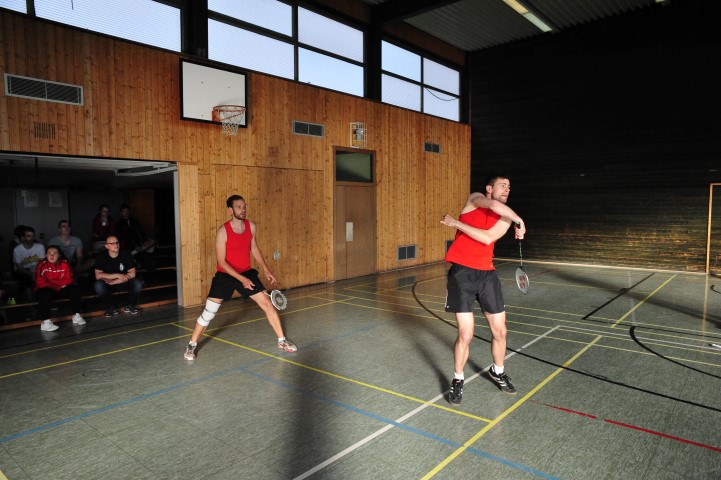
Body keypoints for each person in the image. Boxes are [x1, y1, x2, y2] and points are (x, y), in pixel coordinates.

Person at [440, 173, 526, 405]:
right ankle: (458, 379)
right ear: (489, 188)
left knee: (501, 332)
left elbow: (487, 238)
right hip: (462, 274)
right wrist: (519, 220)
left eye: (509, 186)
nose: (507, 189)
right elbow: (493, 206)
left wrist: (457, 224)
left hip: (487, 275)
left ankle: (498, 371)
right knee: (466, 334)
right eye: (502, 185)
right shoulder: (475, 199)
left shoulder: (506, 218)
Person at [183, 195, 297, 361]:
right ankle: (192, 344)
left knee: (268, 305)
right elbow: (221, 262)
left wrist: (266, 268)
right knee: (208, 313)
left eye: (244, 206)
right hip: (225, 275)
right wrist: (241, 279)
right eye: (238, 207)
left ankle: (282, 340)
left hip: (246, 272)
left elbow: (254, 248)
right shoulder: (222, 232)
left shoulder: (251, 227)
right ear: (230, 210)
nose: (242, 210)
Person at [34, 246, 86, 331]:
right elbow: (40, 282)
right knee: (44, 293)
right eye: (49, 253)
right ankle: (45, 322)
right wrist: (58, 285)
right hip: (48, 290)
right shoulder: (42, 264)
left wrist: (52, 283)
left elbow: (69, 279)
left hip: (61, 289)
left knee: (74, 289)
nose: (52, 255)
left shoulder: (65, 263)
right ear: (46, 255)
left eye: (55, 253)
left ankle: (76, 315)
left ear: (59, 255)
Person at [94, 235, 144, 316]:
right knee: (98, 285)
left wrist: (116, 281)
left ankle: (129, 305)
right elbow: (98, 275)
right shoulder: (101, 256)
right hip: (108, 283)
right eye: (112, 243)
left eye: (117, 242)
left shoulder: (125, 253)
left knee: (137, 283)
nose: (116, 245)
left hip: (122, 281)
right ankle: (111, 307)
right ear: (107, 246)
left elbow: (132, 273)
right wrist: (118, 275)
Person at [116, 204, 156, 269]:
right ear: (121, 212)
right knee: (141, 259)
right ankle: (138, 258)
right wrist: (135, 246)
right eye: (124, 211)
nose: (126, 213)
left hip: (139, 243)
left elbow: (141, 231)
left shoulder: (134, 220)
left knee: (152, 242)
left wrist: (145, 240)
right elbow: (125, 237)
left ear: (129, 211)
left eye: (127, 211)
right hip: (128, 245)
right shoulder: (119, 223)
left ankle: (143, 256)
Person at [13, 226, 45, 301]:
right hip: (23, 270)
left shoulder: (40, 247)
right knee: (27, 279)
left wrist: (36, 272)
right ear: (23, 238)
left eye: (32, 236)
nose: (31, 238)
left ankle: (43, 299)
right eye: (28, 236)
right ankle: (30, 302)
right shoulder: (17, 250)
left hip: (37, 269)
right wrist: (31, 274)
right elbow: (19, 268)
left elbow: (42, 263)